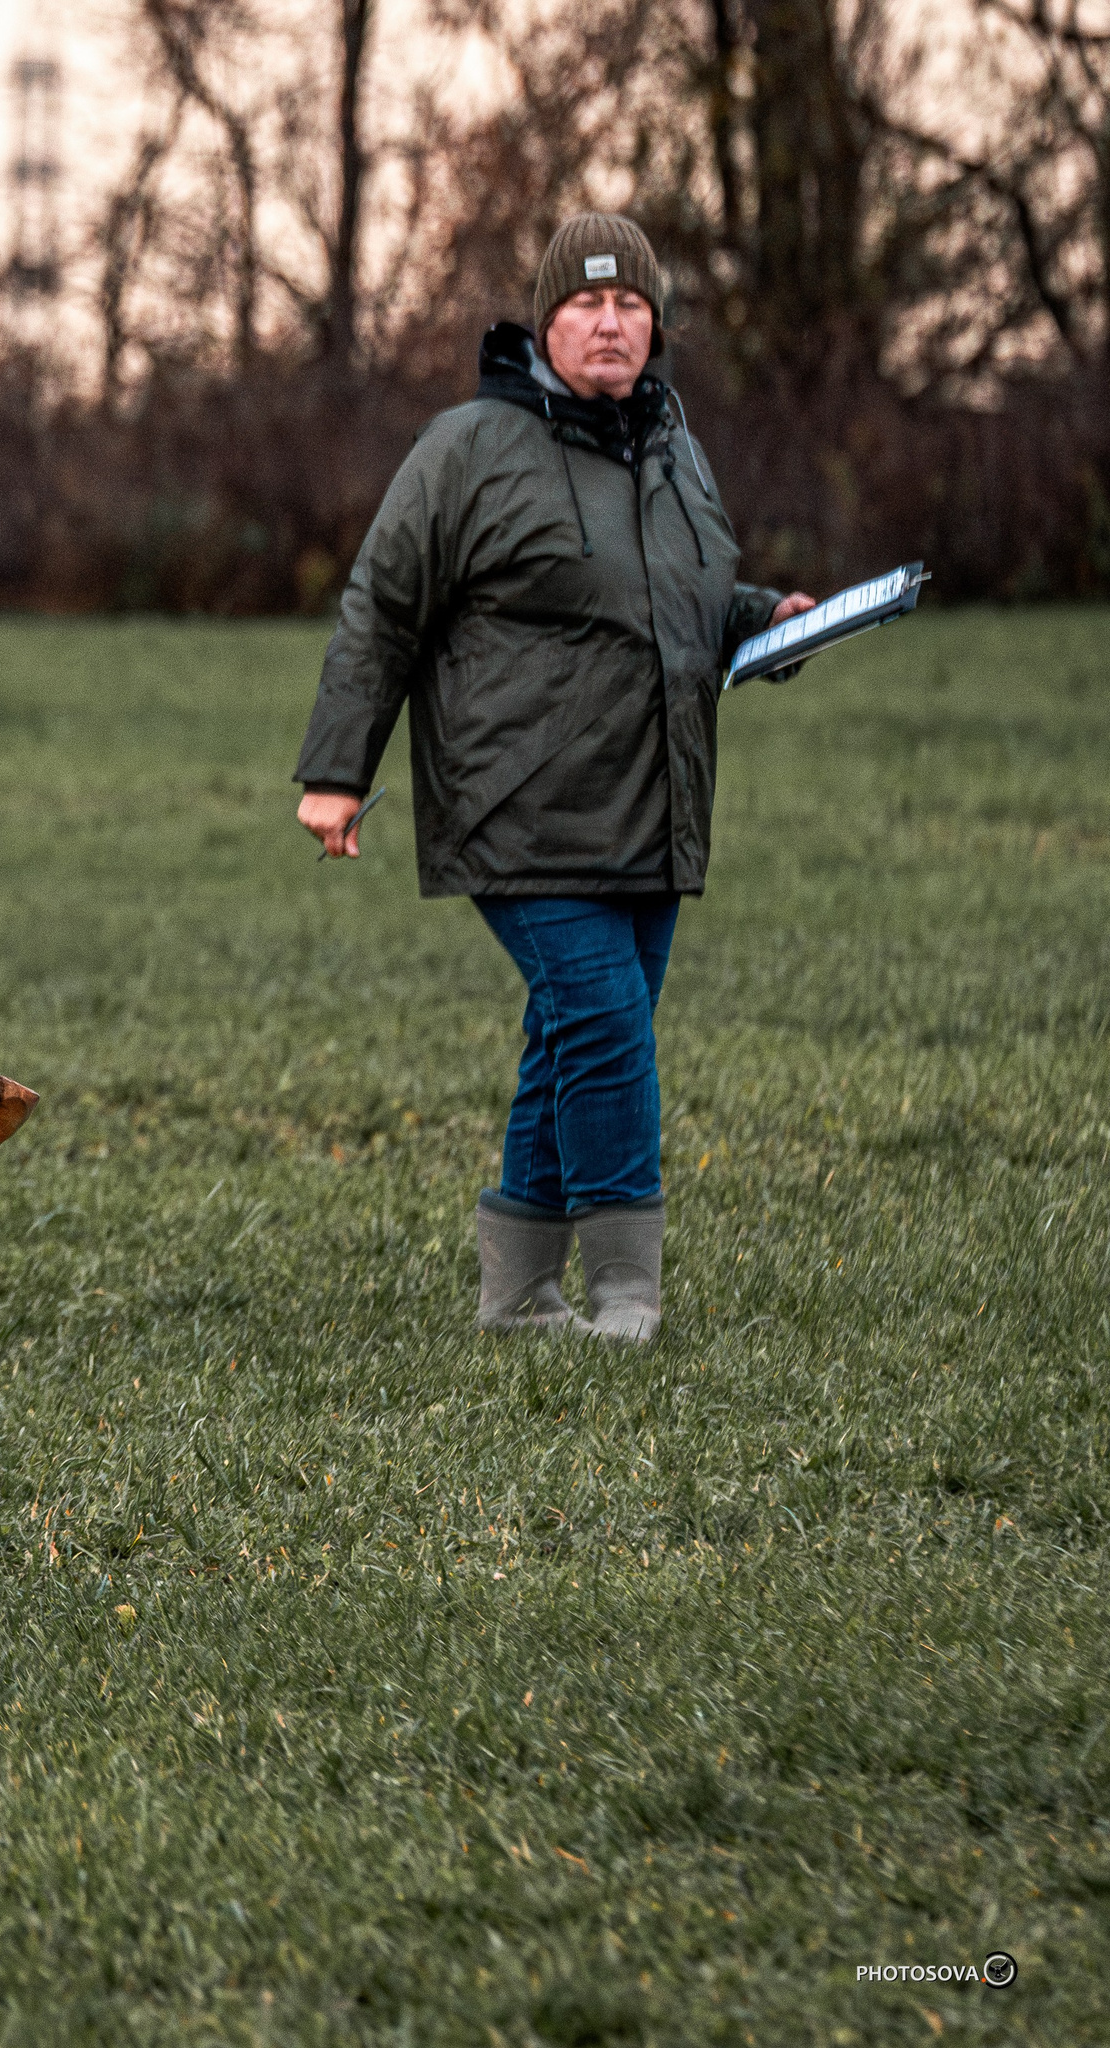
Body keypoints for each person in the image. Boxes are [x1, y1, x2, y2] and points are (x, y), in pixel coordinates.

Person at [291, 213, 814, 1344]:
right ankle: (628, 1291)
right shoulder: (468, 447)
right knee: (608, 1023)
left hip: (651, 799)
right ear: (545, 322)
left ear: (654, 325)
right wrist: (337, 769)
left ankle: (518, 1292)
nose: (610, 321)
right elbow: (382, 605)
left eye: (630, 303)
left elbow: (673, 600)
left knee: (573, 1030)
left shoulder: (672, 446)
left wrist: (758, 621)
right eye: (586, 304)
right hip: (515, 800)